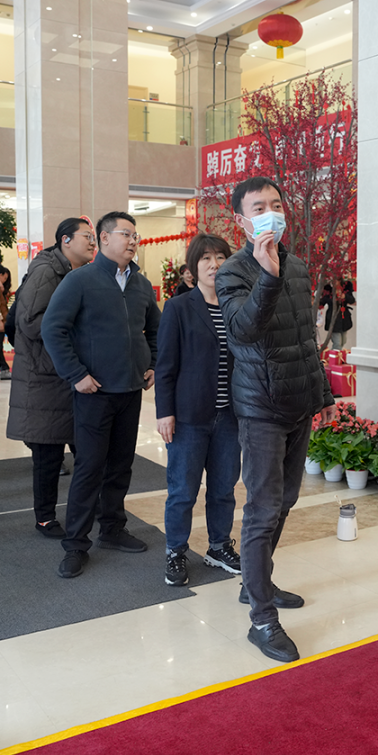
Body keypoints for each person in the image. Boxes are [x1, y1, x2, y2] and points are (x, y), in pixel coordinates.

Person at [216, 176, 336, 662]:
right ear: (242, 220)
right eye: (258, 207)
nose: (271, 213)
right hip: (261, 408)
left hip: (298, 403)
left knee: (285, 500)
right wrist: (266, 276)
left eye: (276, 204)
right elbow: (242, 332)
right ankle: (262, 619)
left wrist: (323, 393)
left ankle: (255, 582)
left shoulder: (300, 267)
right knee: (263, 510)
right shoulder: (232, 272)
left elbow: (306, 340)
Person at [42, 211, 160, 579]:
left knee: (121, 466)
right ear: (104, 238)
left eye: (135, 235)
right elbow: (52, 328)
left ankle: (112, 529)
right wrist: (76, 374)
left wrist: (153, 363)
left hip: (130, 390)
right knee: (89, 468)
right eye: (125, 234)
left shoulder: (141, 284)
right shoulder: (80, 280)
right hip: (94, 392)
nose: (132, 241)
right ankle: (76, 544)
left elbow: (156, 329)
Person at [156, 233, 242, 587]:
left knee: (224, 488)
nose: (214, 264)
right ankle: (176, 550)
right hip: (189, 416)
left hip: (230, 416)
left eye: (220, 257)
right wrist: (165, 412)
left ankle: (219, 546)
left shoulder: (237, 306)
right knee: (182, 491)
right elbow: (165, 365)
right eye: (205, 258)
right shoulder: (178, 307)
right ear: (193, 267)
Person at [6, 217, 97, 538]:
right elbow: (31, 322)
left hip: (65, 374)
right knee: (48, 454)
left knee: (86, 449)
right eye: (86, 236)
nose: (93, 242)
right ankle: (45, 517)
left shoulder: (75, 272)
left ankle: (89, 508)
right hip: (45, 378)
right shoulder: (47, 271)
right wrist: (80, 327)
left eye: (94, 237)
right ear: (65, 240)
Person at [320, 279, 355, 350]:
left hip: (344, 317)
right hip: (333, 318)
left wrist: (345, 296)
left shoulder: (346, 287)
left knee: (343, 341)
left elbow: (352, 300)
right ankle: (335, 355)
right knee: (337, 343)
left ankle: (337, 354)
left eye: (337, 280)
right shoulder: (327, 289)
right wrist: (334, 298)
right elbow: (322, 302)